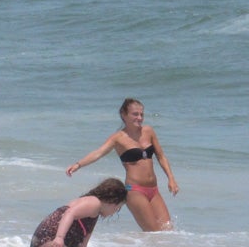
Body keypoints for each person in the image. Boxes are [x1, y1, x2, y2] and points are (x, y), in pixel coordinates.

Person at [65, 98, 178, 231]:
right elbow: (98, 153)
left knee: (168, 231)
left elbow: (161, 156)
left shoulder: (149, 131)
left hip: (154, 189)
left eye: (142, 114)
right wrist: (78, 165)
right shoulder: (118, 138)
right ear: (124, 115)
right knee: (154, 233)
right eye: (135, 114)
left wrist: (171, 179)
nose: (139, 118)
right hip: (135, 191)